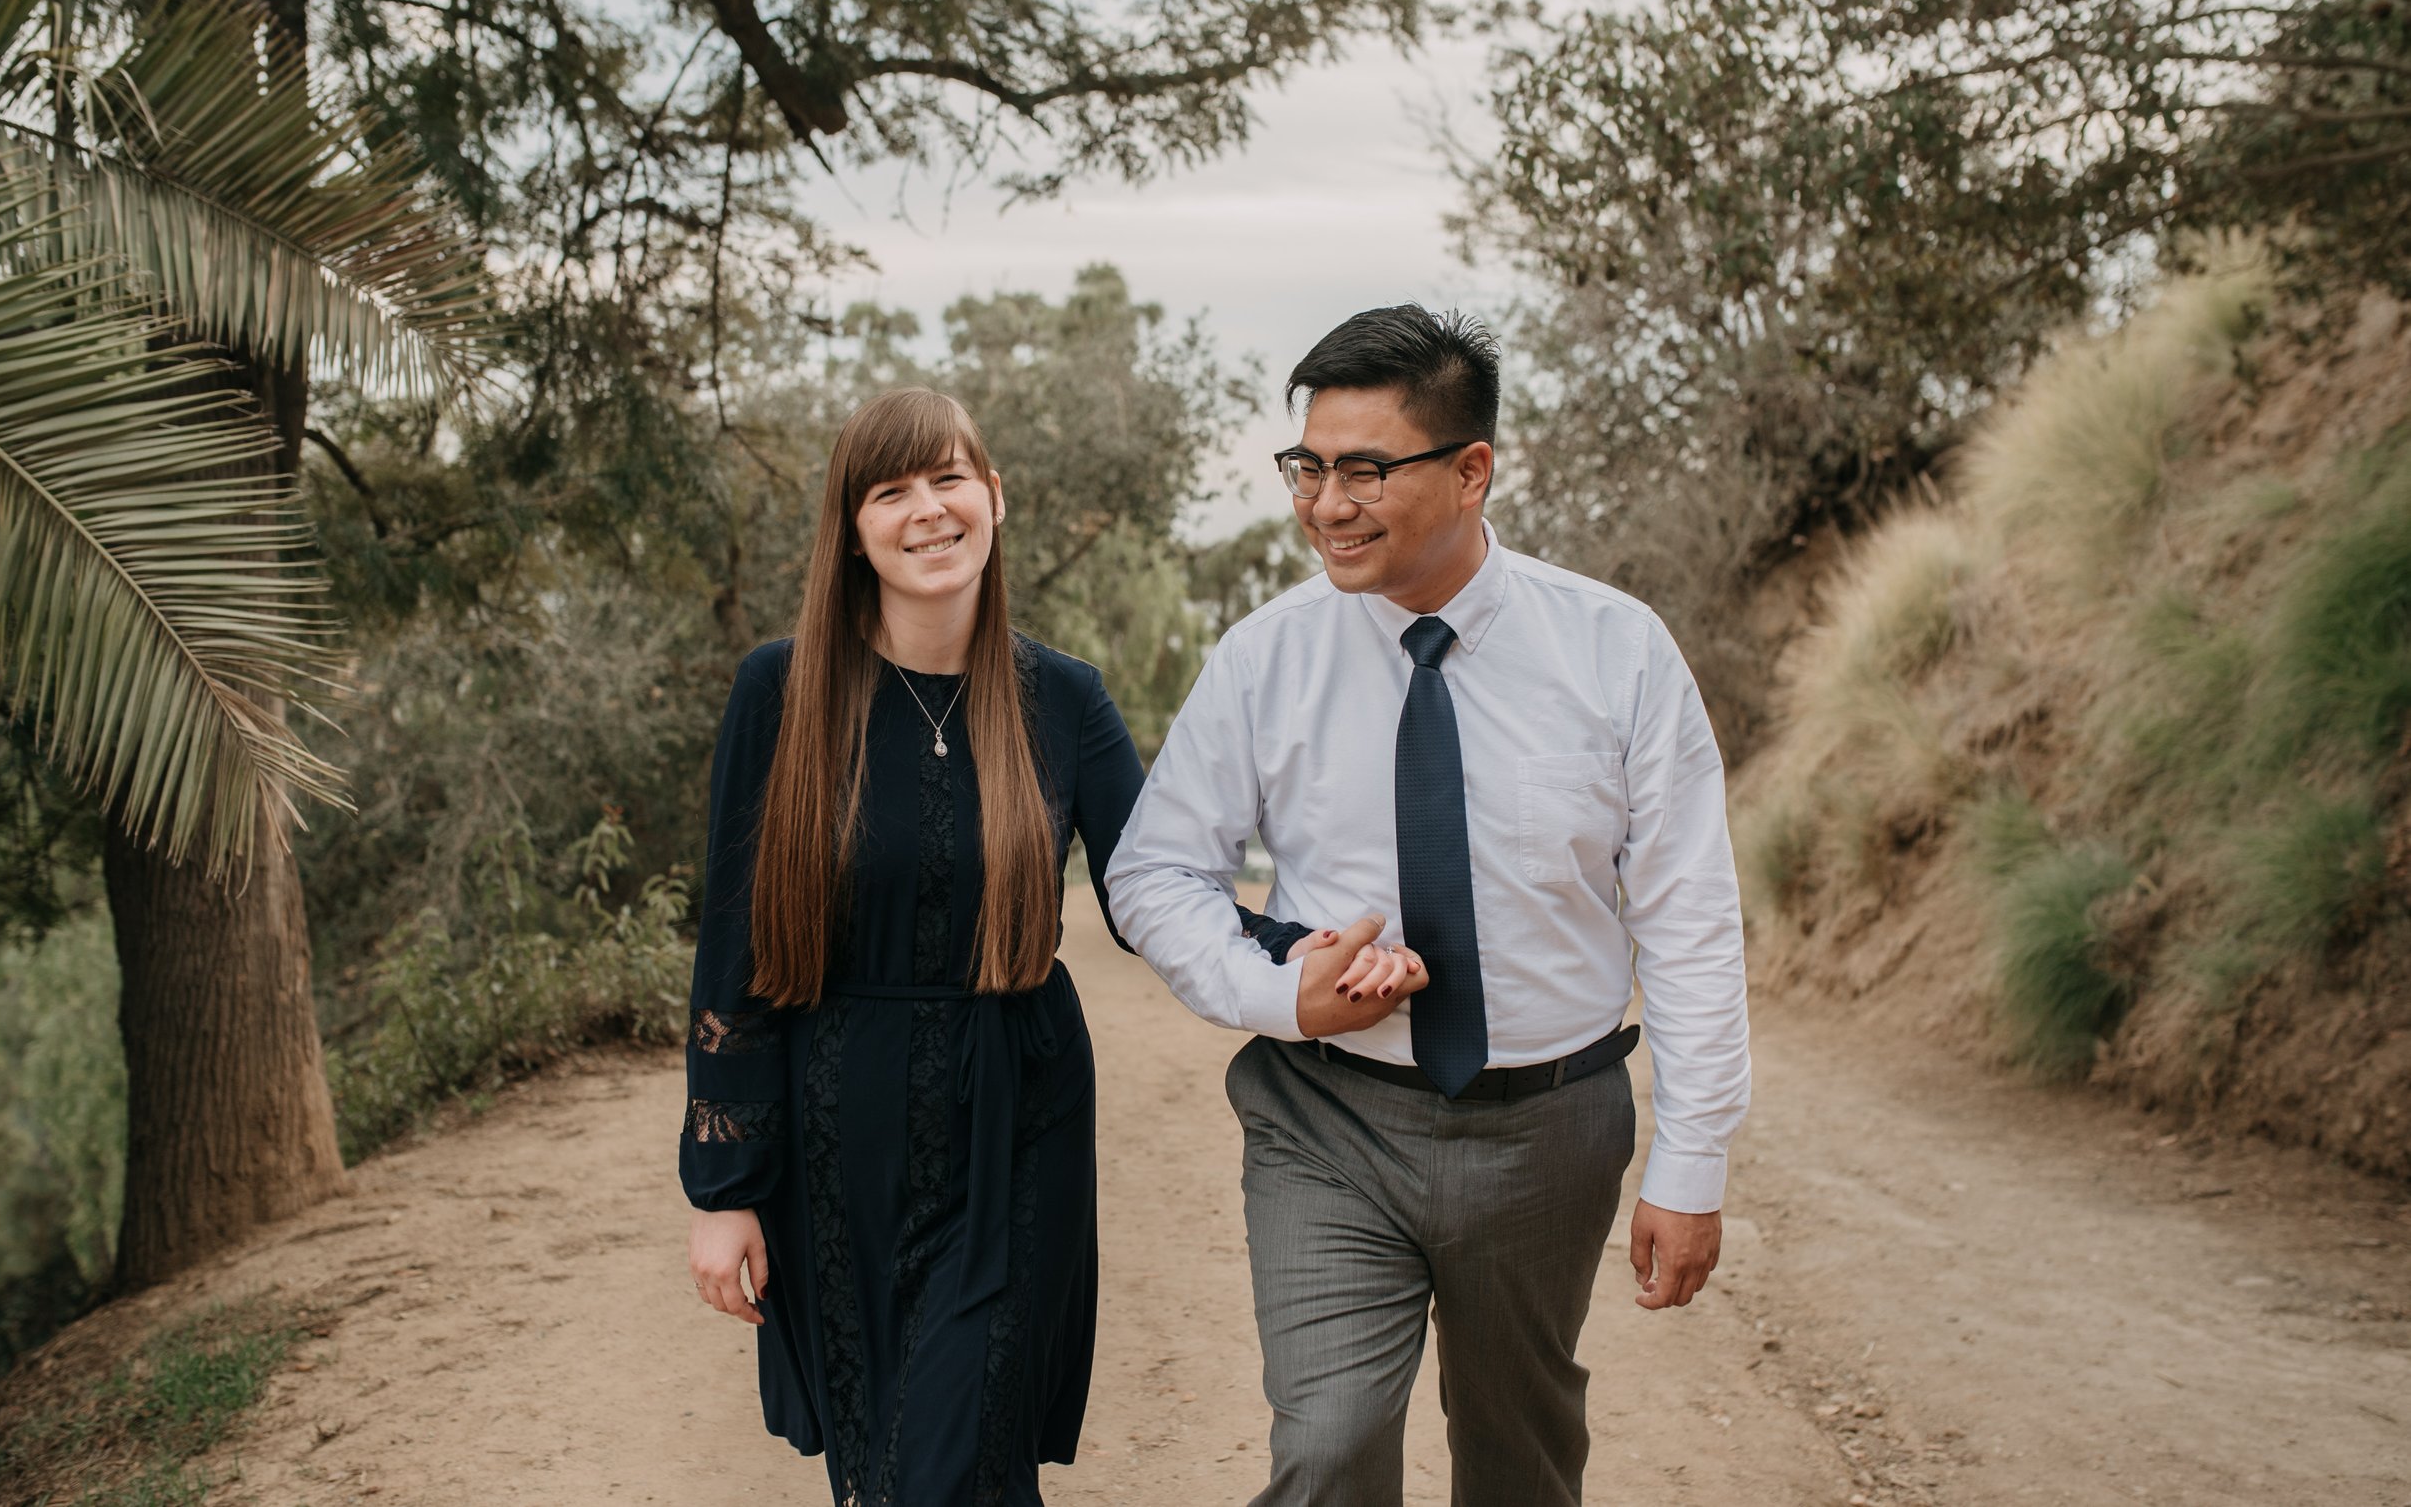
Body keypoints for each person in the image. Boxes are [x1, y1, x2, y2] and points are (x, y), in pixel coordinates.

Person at [678, 385, 1389, 1505]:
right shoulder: (784, 688)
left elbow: (1152, 885)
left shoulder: (1061, 696)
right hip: (839, 1128)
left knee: (956, 1451)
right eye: (890, 490)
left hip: (1018, 1111)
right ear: (852, 526)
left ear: (994, 498)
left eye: (949, 479)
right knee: (892, 1461)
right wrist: (723, 1188)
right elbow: (732, 948)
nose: (927, 511)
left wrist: (1299, 948)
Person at [1105, 305, 1752, 1507]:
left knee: (1520, 1462)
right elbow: (1154, 871)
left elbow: (1689, 916)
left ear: (1470, 472)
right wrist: (1276, 992)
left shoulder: (1617, 652)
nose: (1324, 502)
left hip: (1551, 1130)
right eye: (1308, 465)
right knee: (1329, 1448)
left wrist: (1693, 1159)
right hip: (1326, 1123)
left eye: (1364, 469)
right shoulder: (1264, 657)